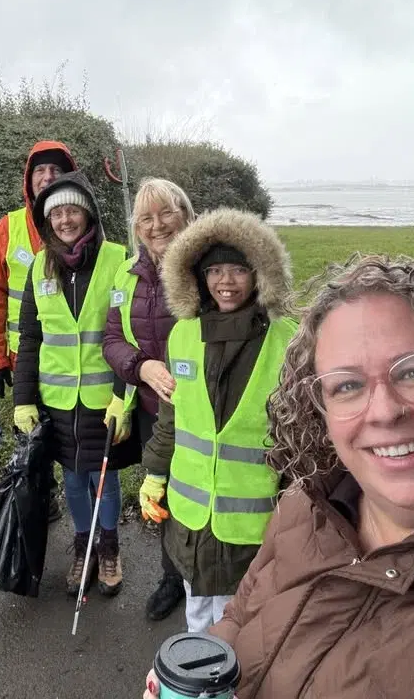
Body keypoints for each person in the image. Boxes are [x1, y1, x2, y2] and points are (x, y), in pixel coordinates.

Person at [144, 255, 414, 698]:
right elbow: (242, 615)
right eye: (346, 385)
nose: (383, 411)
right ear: (319, 408)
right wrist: (202, 669)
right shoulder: (305, 504)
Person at [139, 208, 297, 634]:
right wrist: (155, 472)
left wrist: (296, 503)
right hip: (190, 518)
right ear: (198, 276)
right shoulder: (182, 334)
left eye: (238, 270)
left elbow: (300, 438)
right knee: (196, 612)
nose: (225, 282)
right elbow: (171, 417)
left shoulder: (289, 343)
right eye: (215, 271)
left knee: (240, 621)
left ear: (259, 273)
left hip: (250, 525)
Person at [12, 170, 136, 596]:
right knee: (72, 478)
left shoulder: (119, 259)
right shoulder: (38, 267)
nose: (65, 220)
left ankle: (110, 546)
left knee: (106, 478)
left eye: (72, 210)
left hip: (106, 398)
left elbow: (131, 334)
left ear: (88, 215)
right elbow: (30, 337)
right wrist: (23, 400)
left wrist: (124, 395)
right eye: (56, 213)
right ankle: (83, 546)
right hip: (58, 397)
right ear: (48, 222)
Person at [102, 177, 196, 621]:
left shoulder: (202, 266)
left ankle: (208, 578)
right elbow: (112, 338)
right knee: (161, 492)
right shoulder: (125, 274)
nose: (157, 225)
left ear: (185, 216)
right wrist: (140, 367)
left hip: (199, 410)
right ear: (136, 227)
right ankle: (171, 577)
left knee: (199, 492)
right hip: (149, 409)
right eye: (146, 218)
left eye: (166, 214)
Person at [0, 140, 76, 523]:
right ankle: (42, 497)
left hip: (73, 358)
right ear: (29, 178)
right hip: (24, 355)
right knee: (28, 432)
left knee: (66, 435)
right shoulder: (9, 227)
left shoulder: (78, 221)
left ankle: (85, 520)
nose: (47, 177)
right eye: (40, 170)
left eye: (55, 170)